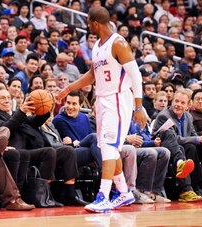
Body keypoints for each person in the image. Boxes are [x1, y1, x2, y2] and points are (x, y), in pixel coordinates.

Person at [56, 6, 147, 213]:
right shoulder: (98, 45)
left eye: (88, 23)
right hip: (103, 100)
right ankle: (124, 192)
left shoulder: (119, 43)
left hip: (117, 99)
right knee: (110, 148)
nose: (88, 26)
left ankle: (103, 196)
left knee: (107, 147)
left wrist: (138, 106)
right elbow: (92, 75)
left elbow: (136, 76)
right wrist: (68, 89)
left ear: (95, 23)